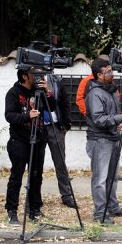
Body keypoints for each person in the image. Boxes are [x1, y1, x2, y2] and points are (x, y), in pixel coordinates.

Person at [4, 68, 55, 225]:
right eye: (34, 74)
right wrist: (27, 116)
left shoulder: (38, 91)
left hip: (38, 139)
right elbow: (9, 115)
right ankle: (12, 211)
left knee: (36, 176)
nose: (38, 77)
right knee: (16, 177)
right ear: (25, 76)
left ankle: (35, 209)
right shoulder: (13, 92)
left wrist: (47, 91)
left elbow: (51, 107)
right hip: (19, 141)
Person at [85, 58, 122, 224]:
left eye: (111, 70)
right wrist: (120, 117)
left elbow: (108, 116)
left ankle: (112, 207)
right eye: (108, 72)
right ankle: (100, 214)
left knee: (112, 177)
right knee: (100, 179)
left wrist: (116, 123)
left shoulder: (109, 90)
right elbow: (98, 119)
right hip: (99, 141)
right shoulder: (95, 93)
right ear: (99, 75)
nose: (112, 74)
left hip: (111, 138)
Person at [42, 74, 74, 208]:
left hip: (56, 126)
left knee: (60, 163)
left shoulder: (56, 81)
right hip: (39, 126)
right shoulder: (30, 79)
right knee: (36, 164)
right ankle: (34, 197)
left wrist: (66, 125)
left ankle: (66, 195)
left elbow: (65, 103)